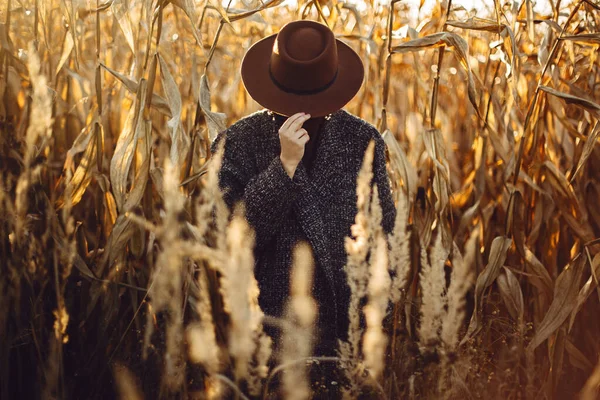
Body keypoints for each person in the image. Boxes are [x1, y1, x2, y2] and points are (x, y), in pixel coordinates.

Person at [211, 19, 396, 367]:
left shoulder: (362, 141)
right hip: (268, 336)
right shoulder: (238, 142)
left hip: (346, 336)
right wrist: (284, 167)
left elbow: (386, 236)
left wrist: (377, 321)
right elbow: (226, 236)